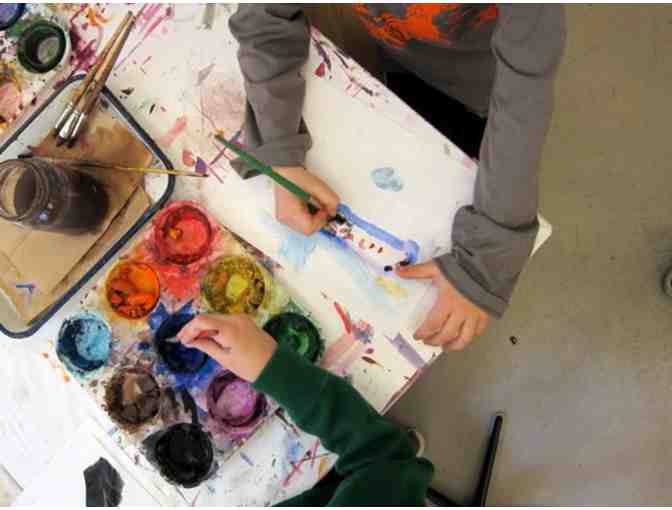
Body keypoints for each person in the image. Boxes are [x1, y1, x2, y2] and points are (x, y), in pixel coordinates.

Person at [228, 5, 566, 351]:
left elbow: (523, 105)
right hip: (400, 58)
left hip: (482, 85)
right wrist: (279, 152)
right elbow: (263, 19)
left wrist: (485, 262)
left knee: (465, 158)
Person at [178, 314, 434, 505]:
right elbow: (383, 456)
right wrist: (275, 370)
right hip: (375, 472)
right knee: (387, 472)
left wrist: (274, 369)